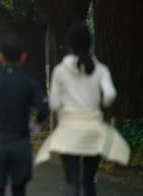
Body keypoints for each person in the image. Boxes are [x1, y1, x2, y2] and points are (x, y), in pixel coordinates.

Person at [35, 23, 130, 196]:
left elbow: (54, 104)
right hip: (93, 129)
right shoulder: (100, 69)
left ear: (69, 45)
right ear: (89, 43)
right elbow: (110, 94)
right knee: (88, 181)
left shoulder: (61, 71)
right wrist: (101, 104)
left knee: (71, 181)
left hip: (69, 129)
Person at [0, 37, 49, 196]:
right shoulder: (29, 83)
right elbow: (44, 108)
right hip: (21, 141)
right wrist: (36, 125)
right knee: (19, 189)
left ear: (0, 57)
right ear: (23, 57)